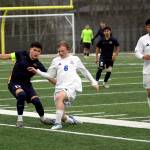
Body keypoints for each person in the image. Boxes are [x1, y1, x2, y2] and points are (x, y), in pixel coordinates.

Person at [28, 41, 99, 130]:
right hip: (59, 87)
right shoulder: (55, 60)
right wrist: (37, 71)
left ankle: (58, 124)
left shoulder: (75, 59)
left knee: (59, 97)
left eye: (62, 51)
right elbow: (50, 75)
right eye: (59, 51)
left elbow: (84, 71)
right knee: (62, 116)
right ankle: (71, 120)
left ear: (68, 50)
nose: (60, 53)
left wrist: (93, 82)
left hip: (71, 87)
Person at [0, 42, 56, 128]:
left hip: (27, 85)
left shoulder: (38, 65)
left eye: (38, 51)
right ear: (30, 49)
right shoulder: (20, 54)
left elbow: (49, 77)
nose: (36, 52)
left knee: (36, 101)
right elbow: (5, 56)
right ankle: (19, 120)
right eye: (34, 50)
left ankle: (43, 118)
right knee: (21, 95)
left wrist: (60, 84)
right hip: (14, 82)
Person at [135, 18, 150, 110]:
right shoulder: (142, 39)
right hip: (147, 70)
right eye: (149, 27)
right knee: (149, 93)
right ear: (146, 27)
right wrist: (143, 57)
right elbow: (137, 51)